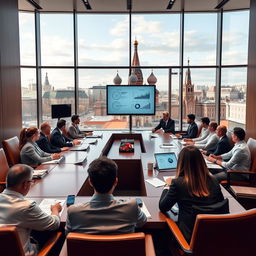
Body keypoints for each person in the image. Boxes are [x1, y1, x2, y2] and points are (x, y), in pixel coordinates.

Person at [159, 146, 225, 243]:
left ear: (181, 163)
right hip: (214, 236)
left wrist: (167, 186)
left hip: (189, 239)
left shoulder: (178, 184)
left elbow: (163, 207)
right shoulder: (214, 181)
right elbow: (220, 205)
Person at [66, 157, 147, 234]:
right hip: (122, 249)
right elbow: (142, 222)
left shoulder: (73, 212)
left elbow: (68, 235)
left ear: (90, 182)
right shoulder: (131, 207)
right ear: (116, 181)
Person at [0, 164, 61, 256]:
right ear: (25, 184)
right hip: (24, 253)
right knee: (58, 236)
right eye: (31, 181)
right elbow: (54, 224)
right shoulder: (26, 206)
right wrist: (55, 210)